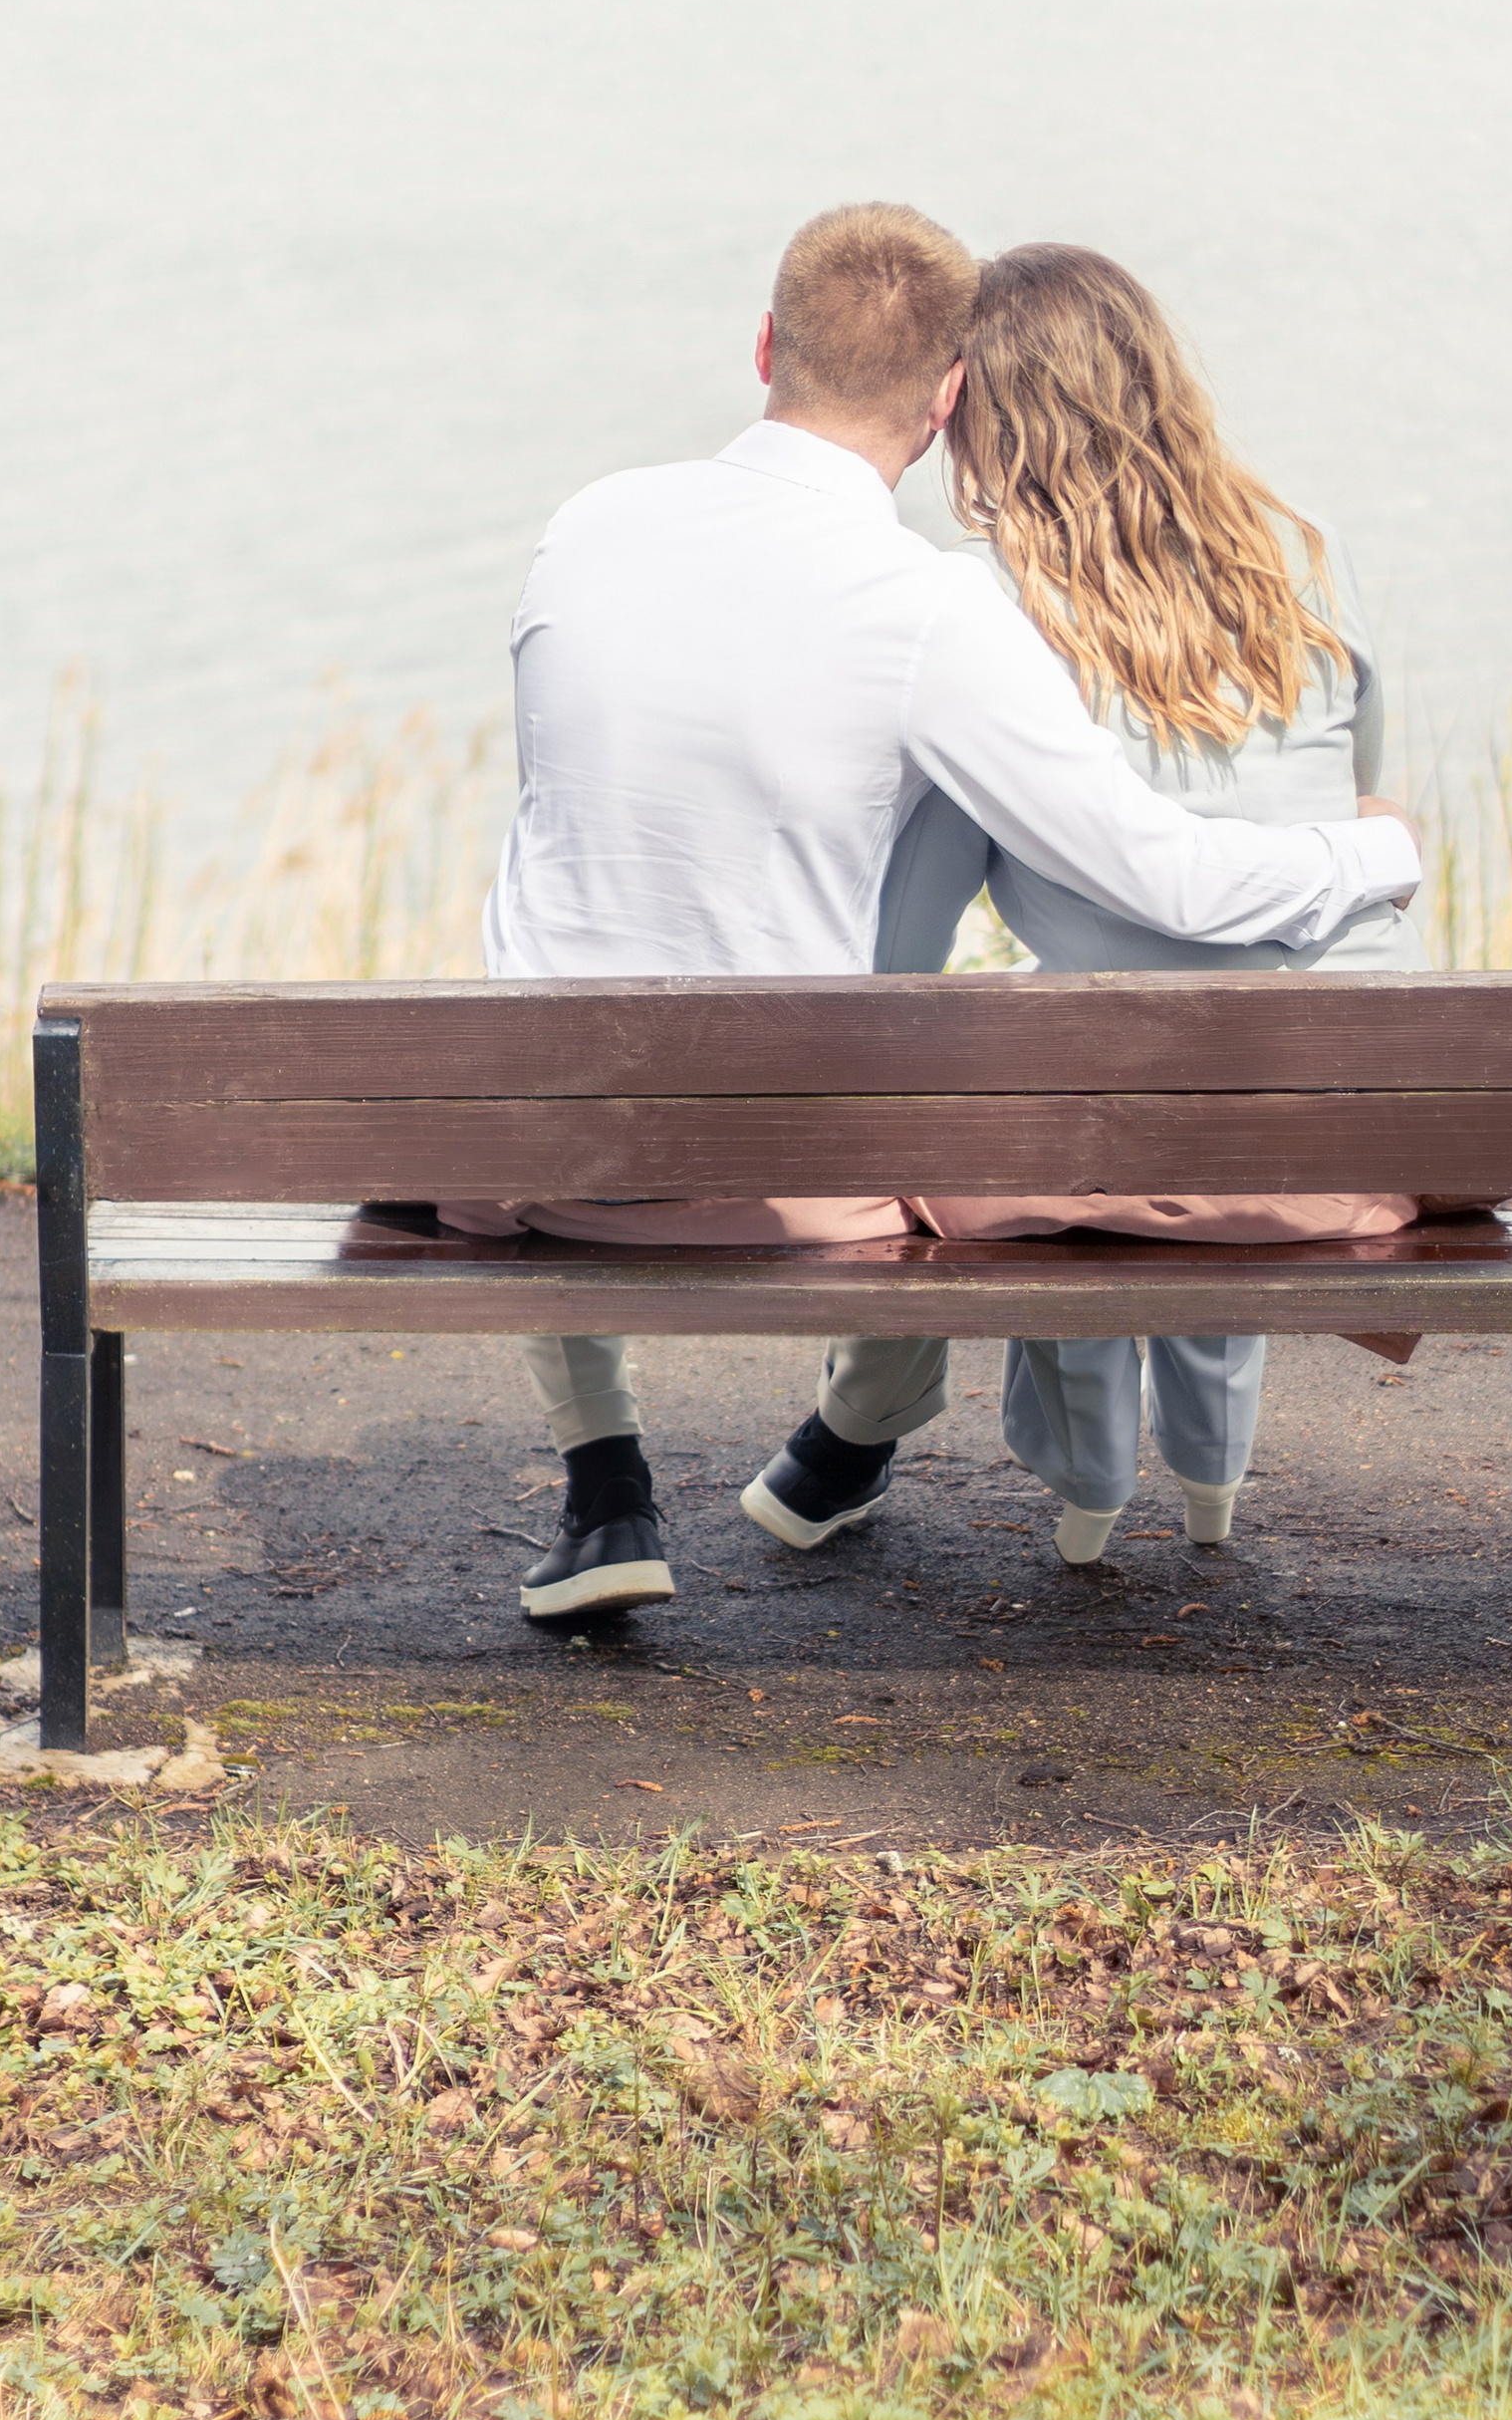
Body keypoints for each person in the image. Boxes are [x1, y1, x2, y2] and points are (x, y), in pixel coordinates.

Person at [451, 202, 1423, 1622]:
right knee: (912, 1116)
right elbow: (1154, 873)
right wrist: (1366, 857)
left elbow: (568, 817)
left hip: (526, 1150)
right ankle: (853, 1435)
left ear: (768, 345)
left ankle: (606, 1487)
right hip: (781, 1188)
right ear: (948, 395)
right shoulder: (932, 609)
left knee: (568, 947)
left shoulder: (587, 522)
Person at [863, 241, 1426, 1567]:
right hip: (1350, 1151)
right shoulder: (1301, 567)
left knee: (1058, 1083)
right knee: (1215, 1053)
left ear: (978, 411)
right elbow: (1353, 803)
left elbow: (901, 949)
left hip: (1126, 1141)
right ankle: (1214, 1474)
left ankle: (1088, 1482)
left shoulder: (987, 607)